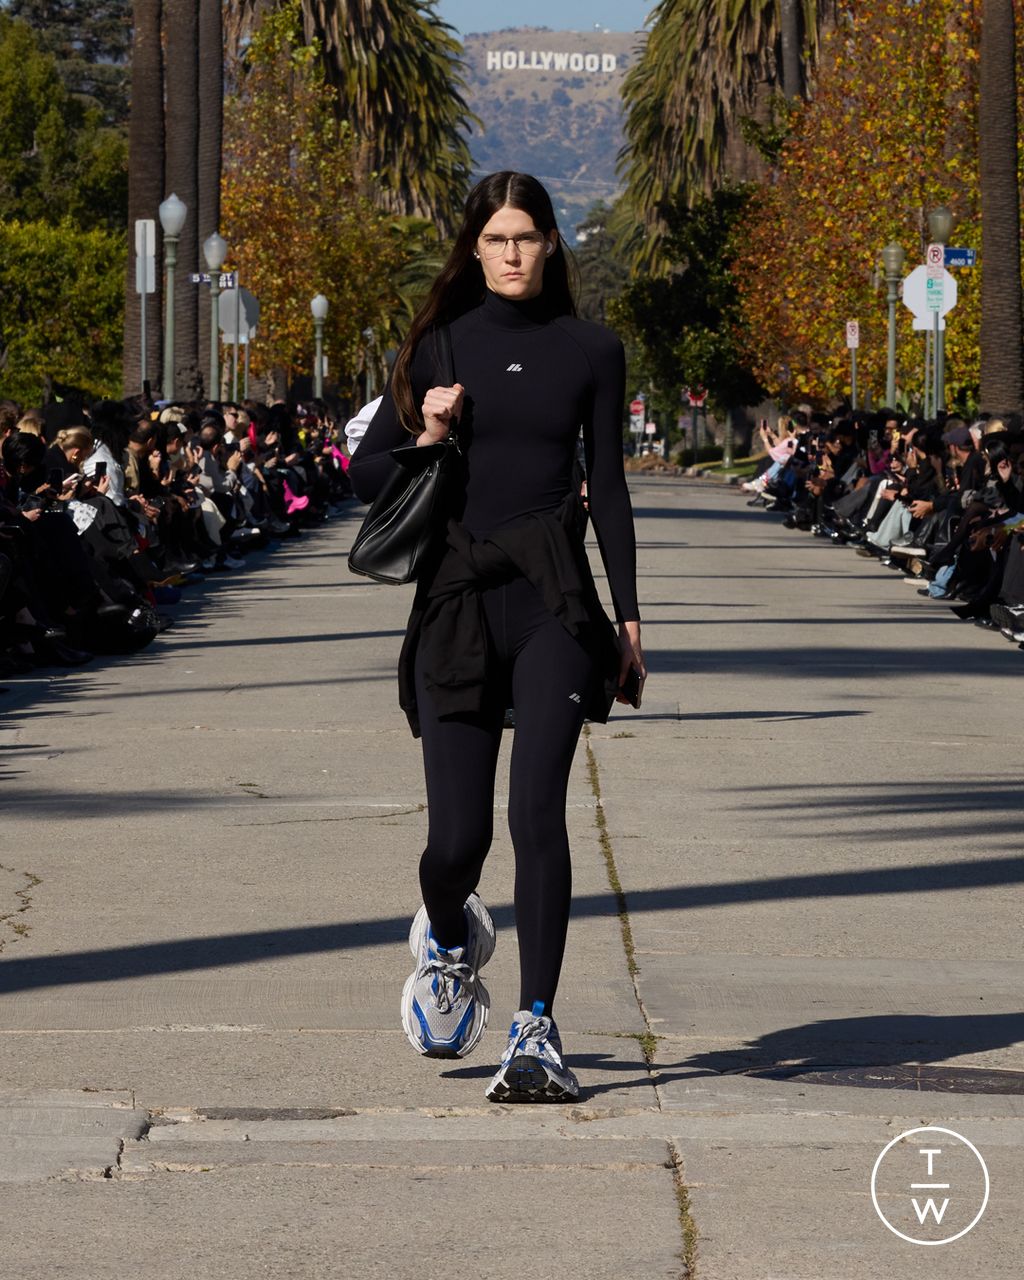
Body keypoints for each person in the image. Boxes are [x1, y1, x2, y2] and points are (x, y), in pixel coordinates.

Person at [349, 171, 645, 1103]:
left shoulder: (593, 350)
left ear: (552, 244)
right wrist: (431, 432)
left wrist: (628, 616)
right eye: (497, 238)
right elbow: (363, 481)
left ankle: (536, 1028)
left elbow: (612, 489)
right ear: (473, 249)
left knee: (538, 819)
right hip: (457, 601)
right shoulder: (439, 344)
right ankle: (445, 935)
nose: (512, 252)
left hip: (554, 599)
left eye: (528, 236)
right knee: (456, 840)